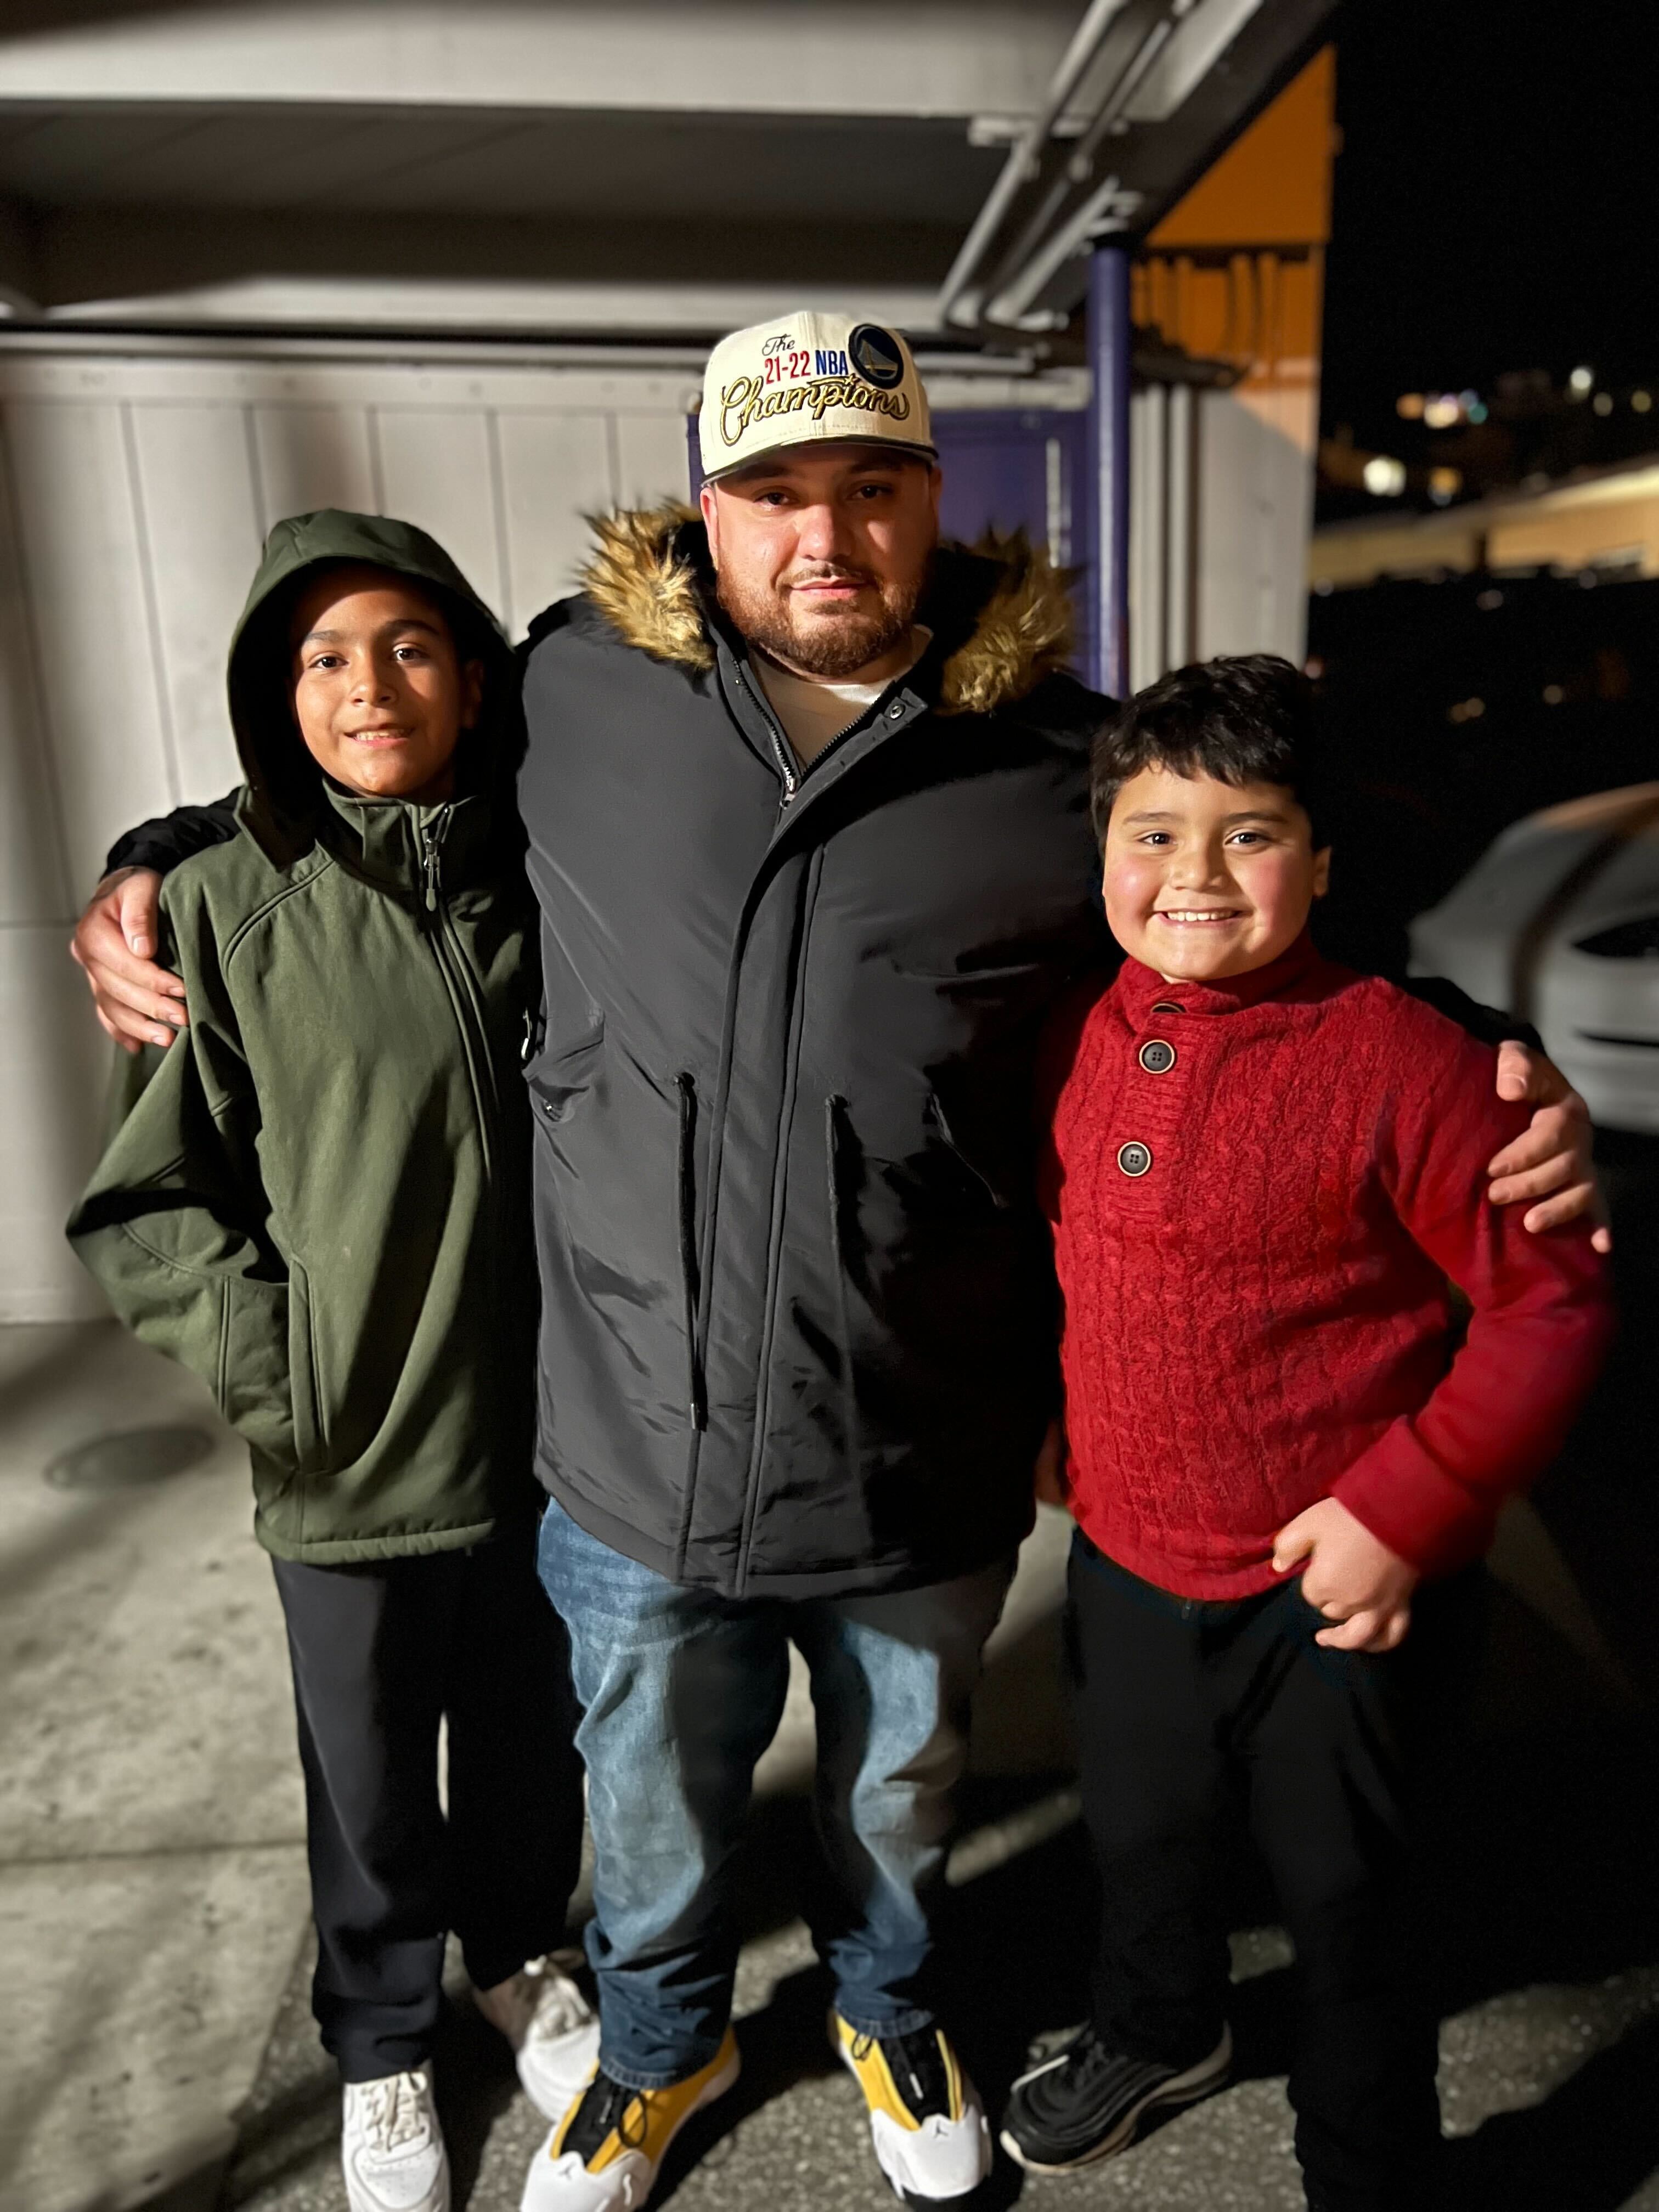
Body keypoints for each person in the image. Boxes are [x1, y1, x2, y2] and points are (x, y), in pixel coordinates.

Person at [69, 319, 1603, 2212]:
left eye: (872, 489)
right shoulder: (576, 694)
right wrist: (154, 856)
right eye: (777, 495)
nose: (827, 537)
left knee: (898, 1797)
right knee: (645, 1814)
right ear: (703, 512)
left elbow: (1255, 933)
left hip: (915, 1441)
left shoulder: (1056, 763)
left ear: (931, 500)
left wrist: (1481, 1048)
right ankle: (658, 2043)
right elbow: (374, 779)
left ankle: (890, 2004)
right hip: (633, 1448)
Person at [1002, 656, 1613, 2208]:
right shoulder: (1073, 1026)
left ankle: (1368, 2164)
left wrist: (1415, 1507)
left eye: (1250, 832)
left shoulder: (1411, 1065)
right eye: (1152, 832)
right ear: (1102, 852)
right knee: (1138, 1839)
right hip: (1130, 1556)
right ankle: (1160, 2028)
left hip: (1339, 1587)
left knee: (1356, 1911)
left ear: (1324, 861)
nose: (1194, 874)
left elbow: (1549, 1308)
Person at [66, 512, 598, 2212]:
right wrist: (281, 1377)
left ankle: (522, 1955)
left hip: (551, 1446)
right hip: (349, 1462)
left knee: (533, 1740)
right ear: (269, 693)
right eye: (320, 657)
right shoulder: (221, 906)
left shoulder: (552, 872)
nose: (370, 685)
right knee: (368, 1783)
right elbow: (147, 1205)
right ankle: (379, 2043)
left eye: (411, 646)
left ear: (474, 677)